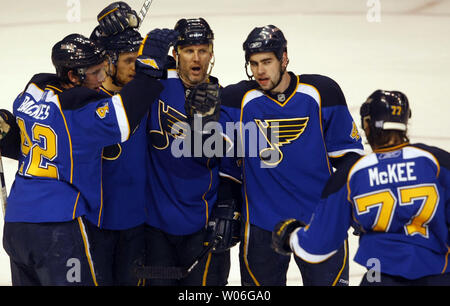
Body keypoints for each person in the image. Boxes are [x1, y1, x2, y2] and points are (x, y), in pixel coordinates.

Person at [0, 28, 177, 285]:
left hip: (16, 226)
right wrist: (148, 69)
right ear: (72, 75)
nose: (101, 78)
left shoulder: (32, 93)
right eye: (94, 73)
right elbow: (122, 118)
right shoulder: (76, 113)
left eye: (103, 69)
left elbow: (29, 139)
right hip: (58, 227)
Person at [219, 25, 364, 286]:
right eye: (253, 63)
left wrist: (356, 202)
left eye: (267, 61)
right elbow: (216, 156)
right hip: (262, 227)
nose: (260, 71)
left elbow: (349, 159)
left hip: (321, 221)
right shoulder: (235, 99)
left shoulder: (323, 92)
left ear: (284, 58)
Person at [272, 89, 450, 286]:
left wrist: (291, 237)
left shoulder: (352, 174)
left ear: (367, 124)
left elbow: (316, 247)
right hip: (440, 275)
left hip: (380, 278)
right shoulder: (438, 162)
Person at [143, 17, 241, 286]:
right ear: (176, 54)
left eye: (202, 50)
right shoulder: (154, 87)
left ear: (211, 53)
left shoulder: (225, 99)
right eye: (188, 50)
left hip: (203, 226)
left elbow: (224, 161)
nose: (196, 58)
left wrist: (227, 206)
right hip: (154, 227)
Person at [83, 24, 150, 286]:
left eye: (138, 61)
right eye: (128, 61)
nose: (135, 68)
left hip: (136, 224)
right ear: (109, 62)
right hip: (94, 225)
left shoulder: (145, 95)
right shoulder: (86, 100)